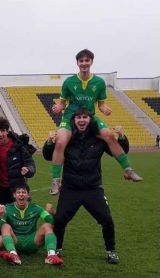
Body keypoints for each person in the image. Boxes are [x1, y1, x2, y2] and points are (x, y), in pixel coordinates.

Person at [42, 108, 129, 264]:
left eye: (85, 117)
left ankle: (111, 251)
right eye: (78, 117)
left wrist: (122, 137)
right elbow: (48, 156)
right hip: (71, 188)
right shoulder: (66, 137)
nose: (81, 120)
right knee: (60, 220)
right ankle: (57, 248)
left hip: (93, 188)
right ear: (73, 120)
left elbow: (120, 151)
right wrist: (49, 142)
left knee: (107, 219)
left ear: (90, 120)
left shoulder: (99, 138)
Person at [50, 49, 142, 195]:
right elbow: (62, 103)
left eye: (87, 60)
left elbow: (101, 105)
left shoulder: (99, 82)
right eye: (81, 61)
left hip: (89, 117)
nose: (84, 63)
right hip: (70, 117)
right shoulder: (68, 82)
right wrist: (59, 107)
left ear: (91, 62)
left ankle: (128, 170)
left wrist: (105, 109)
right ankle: (56, 181)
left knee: (109, 136)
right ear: (77, 63)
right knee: (60, 141)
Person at [0, 184, 63, 266]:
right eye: (18, 192)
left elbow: (51, 222)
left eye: (24, 192)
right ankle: (13, 254)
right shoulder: (7, 208)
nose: (21, 194)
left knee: (47, 226)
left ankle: (51, 255)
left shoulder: (36, 208)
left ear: (28, 195)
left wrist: (52, 212)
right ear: (14, 195)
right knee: (5, 226)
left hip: (33, 242)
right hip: (15, 242)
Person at [0, 116, 36, 208]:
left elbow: (30, 163)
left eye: (3, 131)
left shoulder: (18, 146)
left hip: (16, 189)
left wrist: (28, 170)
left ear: (7, 131)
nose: (0, 134)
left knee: (18, 214)